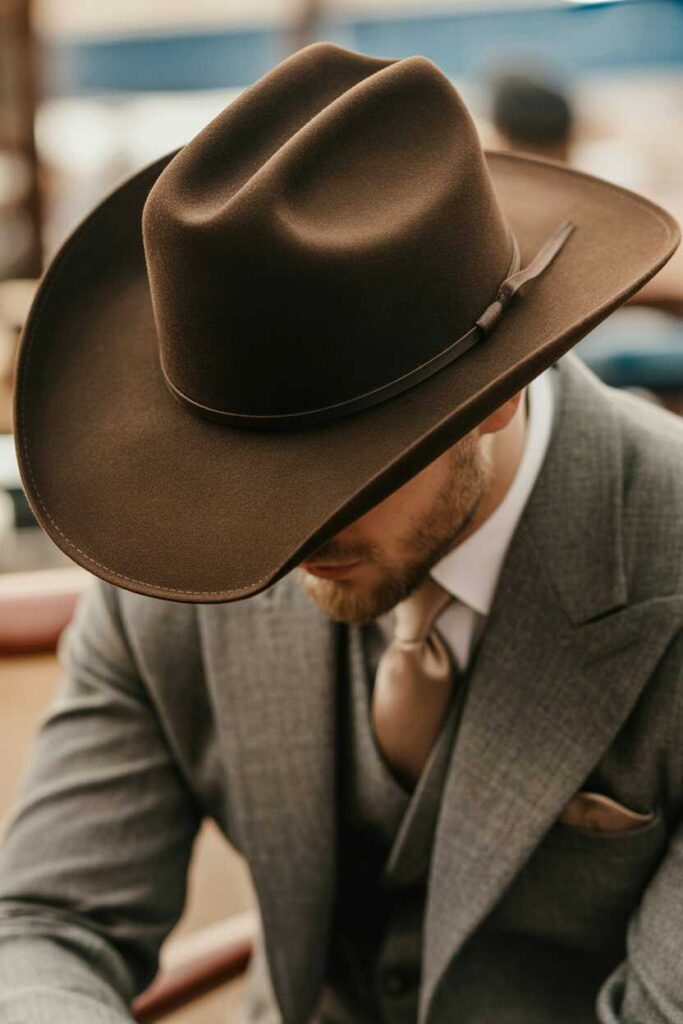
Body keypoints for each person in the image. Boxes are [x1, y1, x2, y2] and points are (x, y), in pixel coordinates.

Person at [1, 42, 682, 1024]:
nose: (276, 532)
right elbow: (47, 921)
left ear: (491, 402)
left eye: (340, 468)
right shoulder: (179, 547)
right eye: (241, 466)